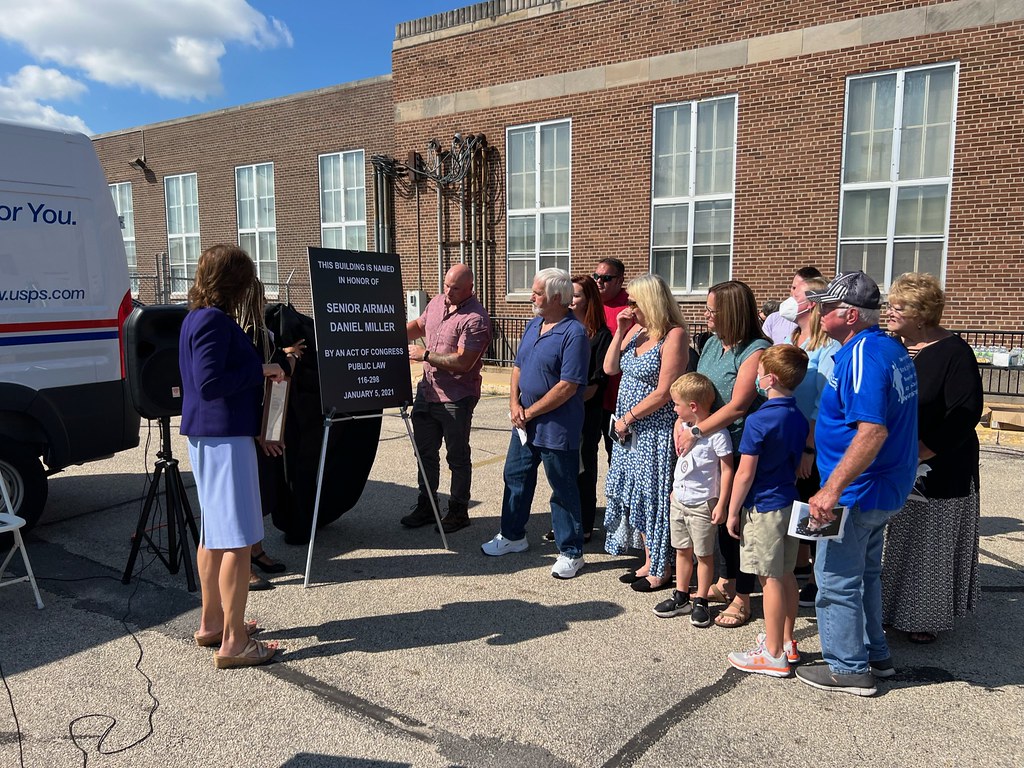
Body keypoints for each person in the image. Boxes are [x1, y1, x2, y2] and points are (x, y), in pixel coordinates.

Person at [795, 271, 918, 696]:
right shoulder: (886, 347)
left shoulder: (864, 354)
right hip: (880, 488)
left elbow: (872, 431)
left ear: (849, 315)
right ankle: (874, 654)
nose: (817, 311)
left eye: (826, 306)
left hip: (856, 491)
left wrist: (830, 491)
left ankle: (848, 668)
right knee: (864, 574)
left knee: (835, 579)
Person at [179, 244, 284, 669]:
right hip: (223, 438)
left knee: (214, 536)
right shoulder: (214, 322)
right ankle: (234, 641)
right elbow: (209, 383)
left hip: (209, 436)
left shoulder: (194, 318)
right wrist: (261, 370)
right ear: (235, 283)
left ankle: (213, 622)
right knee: (238, 542)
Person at [882, 272, 983, 645]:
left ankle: (923, 617)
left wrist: (922, 451)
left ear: (922, 313)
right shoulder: (893, 346)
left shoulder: (954, 352)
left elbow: (966, 411)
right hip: (896, 460)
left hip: (941, 464)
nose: (889, 311)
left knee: (929, 544)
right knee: (899, 539)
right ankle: (892, 608)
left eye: (898, 306)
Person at [481, 268, 590, 579]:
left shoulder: (574, 333)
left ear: (556, 297)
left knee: (562, 486)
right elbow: (518, 367)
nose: (532, 297)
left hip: (557, 426)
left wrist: (529, 412)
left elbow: (568, 386)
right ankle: (513, 536)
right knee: (515, 475)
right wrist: (515, 404)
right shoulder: (534, 324)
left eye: (537, 292)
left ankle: (571, 551)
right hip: (525, 423)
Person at [675, 280, 770, 628]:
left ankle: (743, 597)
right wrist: (682, 423)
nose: (706, 315)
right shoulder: (713, 343)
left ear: (730, 313)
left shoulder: (756, 350)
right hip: (708, 449)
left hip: (741, 448)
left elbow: (738, 405)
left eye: (712, 310)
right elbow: (695, 387)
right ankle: (727, 582)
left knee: (737, 522)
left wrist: (695, 430)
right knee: (716, 518)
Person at [725, 344, 809, 677]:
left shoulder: (759, 420)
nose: (756, 377)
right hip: (788, 500)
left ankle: (773, 653)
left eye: (759, 373)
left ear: (770, 378)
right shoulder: (797, 415)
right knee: (785, 573)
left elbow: (745, 473)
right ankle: (785, 641)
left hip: (764, 506)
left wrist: (732, 511)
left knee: (769, 579)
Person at [603, 273, 690, 592]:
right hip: (628, 430)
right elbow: (610, 368)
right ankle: (648, 559)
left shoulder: (674, 335)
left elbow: (666, 390)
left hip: (652, 428)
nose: (629, 307)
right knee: (634, 492)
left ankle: (662, 566)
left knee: (654, 495)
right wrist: (622, 331)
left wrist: (628, 417)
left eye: (635, 303)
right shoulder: (636, 331)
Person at [403, 263, 492, 533]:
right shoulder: (438, 302)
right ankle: (427, 505)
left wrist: (426, 355)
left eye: (455, 288)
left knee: (457, 456)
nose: (448, 291)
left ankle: (457, 510)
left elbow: (464, 362)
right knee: (425, 453)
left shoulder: (476, 319)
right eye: (446, 285)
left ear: (470, 289)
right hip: (426, 392)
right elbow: (419, 326)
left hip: (456, 397)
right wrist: (385, 334)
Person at [235, 277, 307, 591]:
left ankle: (256, 551)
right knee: (247, 495)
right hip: (251, 424)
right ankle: (243, 564)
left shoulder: (261, 331)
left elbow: (272, 359)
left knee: (260, 490)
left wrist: (285, 353)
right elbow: (266, 371)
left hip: (264, 422)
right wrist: (288, 359)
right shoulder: (246, 332)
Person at [777, 276, 841, 608]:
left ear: (812, 302)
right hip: (790, 435)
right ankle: (802, 564)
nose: (790, 296)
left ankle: (819, 578)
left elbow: (822, 403)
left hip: (811, 441)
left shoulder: (828, 347)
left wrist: (809, 448)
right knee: (798, 503)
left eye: (796, 291)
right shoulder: (795, 338)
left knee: (813, 504)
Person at [655, 372, 734, 627]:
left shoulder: (717, 433)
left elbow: (727, 469)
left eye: (676, 404)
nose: (673, 408)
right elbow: (683, 462)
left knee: (703, 554)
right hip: (680, 498)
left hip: (703, 502)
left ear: (692, 407)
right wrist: (675, 489)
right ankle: (681, 595)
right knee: (681, 549)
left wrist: (722, 503)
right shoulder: (684, 427)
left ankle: (701, 598)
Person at [544, 275, 612, 543]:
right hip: (560, 411)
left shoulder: (600, 336)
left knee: (583, 469)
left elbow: (595, 384)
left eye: (577, 296)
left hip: (585, 413)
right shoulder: (562, 328)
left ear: (589, 300)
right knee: (561, 472)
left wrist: (561, 400)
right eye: (568, 295)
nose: (571, 301)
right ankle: (564, 523)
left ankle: (583, 524)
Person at [592, 258, 631, 462]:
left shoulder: (630, 306)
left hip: (617, 399)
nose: (599, 281)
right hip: (592, 395)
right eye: (596, 276)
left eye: (606, 278)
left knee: (616, 455)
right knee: (585, 454)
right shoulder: (590, 303)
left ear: (619, 280)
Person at [761, 267, 823, 344]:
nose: (794, 293)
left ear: (811, 301)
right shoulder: (773, 319)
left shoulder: (825, 332)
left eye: (799, 292)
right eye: (793, 288)